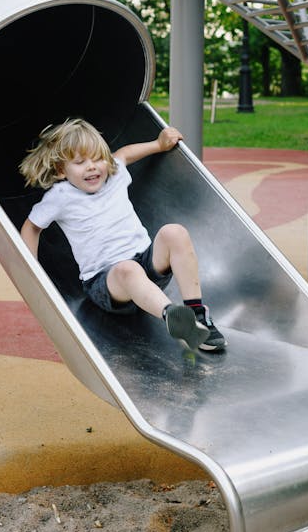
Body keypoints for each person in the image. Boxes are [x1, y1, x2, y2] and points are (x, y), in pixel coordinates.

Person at [19, 118, 226, 355]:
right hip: (107, 283)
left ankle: (197, 314)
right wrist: (30, 270)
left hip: (147, 265)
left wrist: (158, 145)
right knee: (127, 269)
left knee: (174, 232)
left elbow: (124, 154)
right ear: (60, 171)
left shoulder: (114, 172)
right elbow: (32, 227)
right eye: (80, 162)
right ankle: (175, 318)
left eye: (97, 158)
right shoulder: (60, 196)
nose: (92, 167)